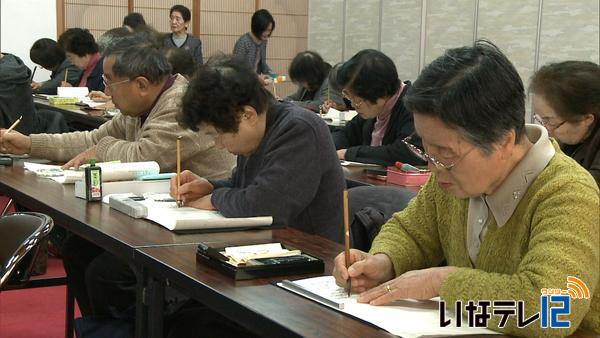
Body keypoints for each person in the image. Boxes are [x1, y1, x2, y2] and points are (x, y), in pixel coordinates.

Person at [332, 41, 599, 337]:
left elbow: (552, 310)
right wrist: (383, 261)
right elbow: (412, 232)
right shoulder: (452, 176)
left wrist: (442, 283)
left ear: (504, 141)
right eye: (425, 149)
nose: (433, 168)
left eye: (445, 153)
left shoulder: (568, 194)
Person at [0, 39, 236, 319]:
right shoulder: (141, 107)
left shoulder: (182, 104)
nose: (105, 90)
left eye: (110, 82)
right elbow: (92, 138)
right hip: (161, 212)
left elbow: (145, 156)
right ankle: (101, 329)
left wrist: (101, 149)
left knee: (106, 275)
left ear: (141, 84)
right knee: (77, 251)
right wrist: (29, 144)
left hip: (205, 221)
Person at [172, 55, 345, 242]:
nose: (218, 144)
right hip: (267, 245)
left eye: (219, 133)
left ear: (247, 115)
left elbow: (265, 205)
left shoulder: (299, 129)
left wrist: (214, 199)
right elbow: (246, 187)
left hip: (313, 254)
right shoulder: (258, 132)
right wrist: (209, 186)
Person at [330, 49, 424, 166]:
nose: (353, 105)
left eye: (357, 100)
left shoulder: (414, 108)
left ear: (381, 93)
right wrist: (327, 147)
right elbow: (346, 134)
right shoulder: (375, 110)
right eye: (349, 97)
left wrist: (348, 153)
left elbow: (409, 152)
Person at [530, 61, 600, 186]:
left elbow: (579, 190)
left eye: (550, 121)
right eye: (542, 120)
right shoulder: (574, 137)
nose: (546, 129)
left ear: (586, 119)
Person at [233, 9, 275, 84]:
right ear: (257, 28)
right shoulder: (243, 42)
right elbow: (236, 69)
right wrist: (256, 77)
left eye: (269, 30)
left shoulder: (263, 41)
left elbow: (262, 64)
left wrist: (271, 74)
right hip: (241, 85)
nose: (268, 33)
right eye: (265, 30)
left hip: (254, 85)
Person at [57, 28, 105, 92]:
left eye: (71, 57)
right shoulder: (86, 68)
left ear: (84, 53)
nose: (71, 62)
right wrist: (72, 90)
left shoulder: (104, 68)